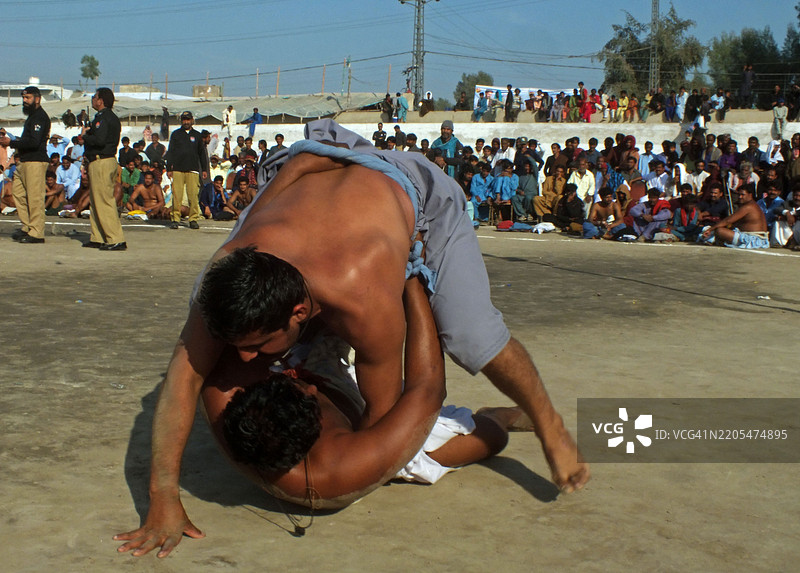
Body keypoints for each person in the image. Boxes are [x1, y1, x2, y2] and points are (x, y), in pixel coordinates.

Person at [114, 119, 589, 557]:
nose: (240, 357)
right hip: (312, 163)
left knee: (469, 334)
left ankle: (550, 425)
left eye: (256, 345)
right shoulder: (226, 272)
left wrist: (413, 277)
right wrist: (163, 498)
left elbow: (401, 406)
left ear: (300, 311)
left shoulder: (366, 303)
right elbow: (185, 376)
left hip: (410, 192)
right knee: (217, 333)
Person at [202, 274, 529, 508]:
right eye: (293, 380)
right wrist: (414, 283)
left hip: (330, 385)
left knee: (327, 317)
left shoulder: (250, 412)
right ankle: (502, 416)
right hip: (378, 435)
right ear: (310, 393)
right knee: (491, 437)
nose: (287, 373)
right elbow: (426, 388)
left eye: (282, 378)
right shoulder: (351, 461)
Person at [0, 86, 51, 244]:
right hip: (24, 161)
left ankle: (36, 232)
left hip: (35, 161)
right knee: (19, 194)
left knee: (34, 197)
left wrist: (12, 142)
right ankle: (28, 227)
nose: (24, 100)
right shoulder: (31, 117)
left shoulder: (40, 117)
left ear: (37, 99)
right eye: (23, 97)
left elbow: (34, 142)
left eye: (27, 98)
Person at [80, 87, 126, 250]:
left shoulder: (104, 118)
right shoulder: (103, 117)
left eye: (94, 97)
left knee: (104, 200)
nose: (92, 100)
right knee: (96, 200)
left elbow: (99, 140)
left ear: (101, 100)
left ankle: (115, 238)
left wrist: (86, 136)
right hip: (99, 161)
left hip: (102, 161)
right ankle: (98, 236)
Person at [165, 111, 208, 230]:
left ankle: (193, 219)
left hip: (193, 169)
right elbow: (171, 152)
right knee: (177, 195)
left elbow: (202, 154)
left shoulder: (197, 135)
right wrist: (169, 168)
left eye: (188, 119)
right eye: (184, 119)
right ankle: (175, 219)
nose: (186, 122)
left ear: (192, 120)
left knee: (193, 195)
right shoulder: (176, 134)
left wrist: (204, 169)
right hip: (178, 169)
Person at [701, 184, 768, 248]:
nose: (740, 197)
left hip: (752, 239)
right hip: (753, 238)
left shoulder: (748, 206)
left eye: (742, 195)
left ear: (750, 195)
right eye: (739, 194)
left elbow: (728, 221)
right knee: (721, 229)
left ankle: (714, 240)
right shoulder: (752, 205)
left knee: (719, 231)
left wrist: (710, 229)